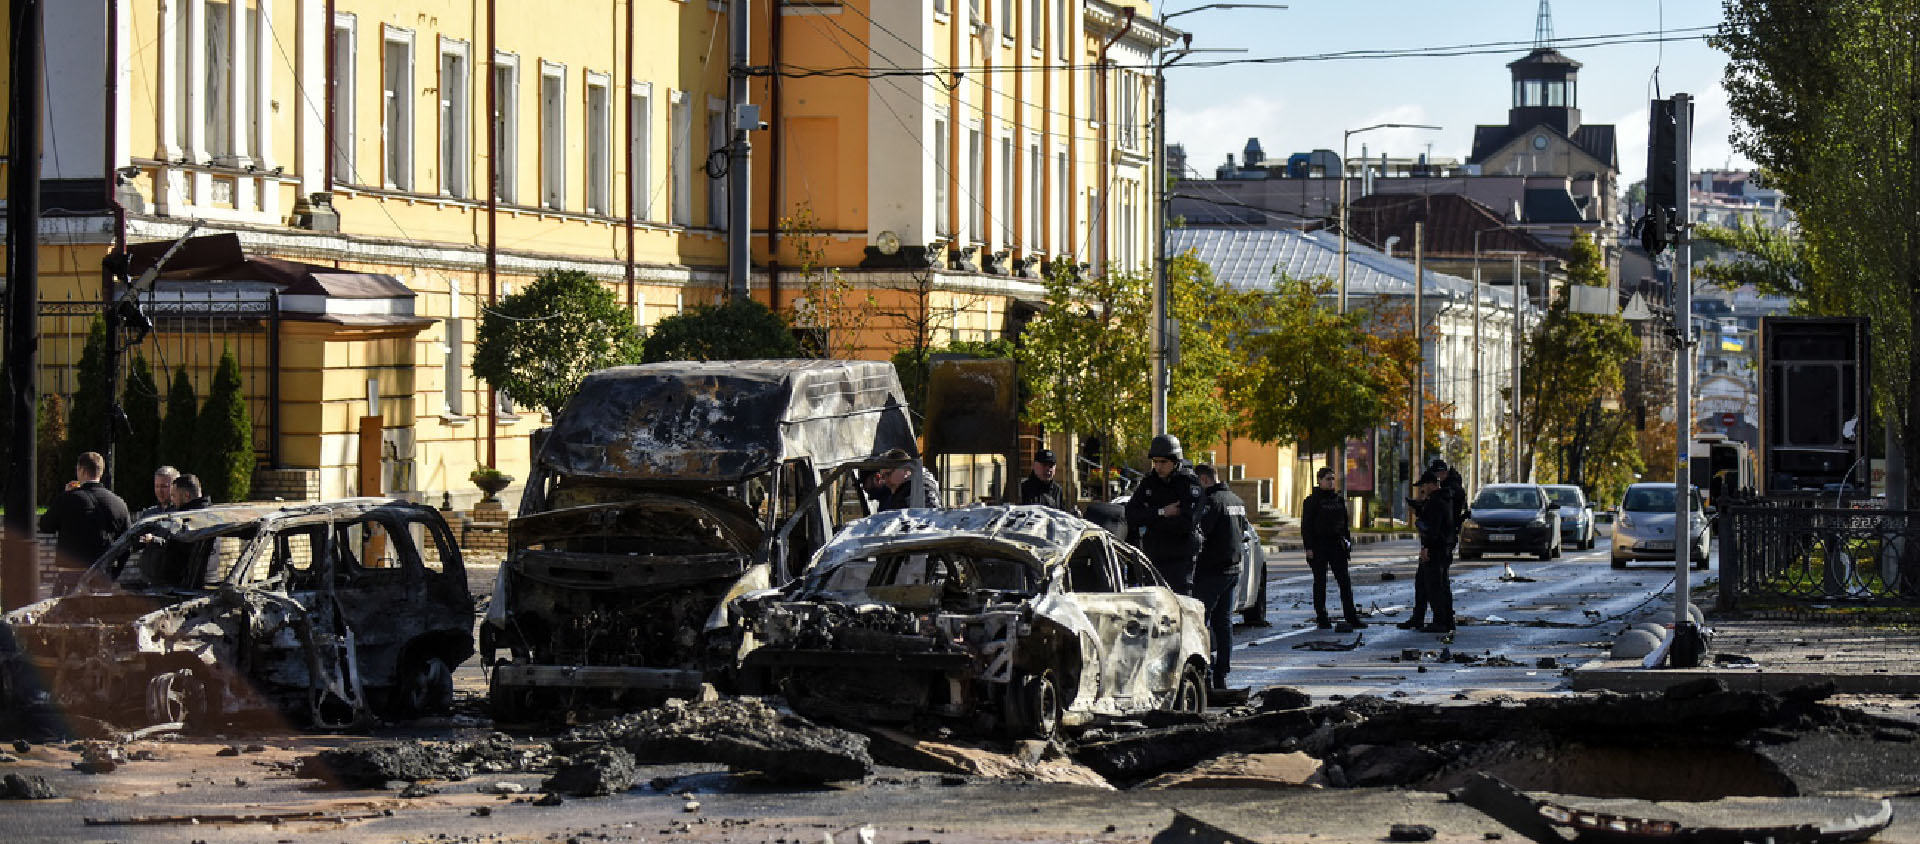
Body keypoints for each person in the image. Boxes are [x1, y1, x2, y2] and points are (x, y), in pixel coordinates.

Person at [38, 451, 133, 593]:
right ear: (101, 471)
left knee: (66, 615)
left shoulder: (68, 499)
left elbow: (45, 525)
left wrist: (65, 495)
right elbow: (128, 543)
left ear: (81, 470)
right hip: (102, 576)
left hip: (70, 578)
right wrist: (113, 575)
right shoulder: (119, 503)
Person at [1124, 434, 1206, 595]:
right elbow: (1131, 515)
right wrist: (1162, 512)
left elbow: (1186, 524)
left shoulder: (1189, 484)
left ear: (1175, 462)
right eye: (1155, 462)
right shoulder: (1149, 482)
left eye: (1164, 462)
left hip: (1180, 559)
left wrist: (1150, 520)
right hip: (1154, 556)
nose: (1158, 467)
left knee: (1180, 607)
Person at [1192, 464, 1246, 689]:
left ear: (1204, 480)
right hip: (1232, 570)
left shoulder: (1212, 502)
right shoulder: (1236, 500)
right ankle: (1221, 674)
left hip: (1212, 571)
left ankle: (1203, 672)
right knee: (1224, 624)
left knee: (1199, 623)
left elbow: (1201, 534)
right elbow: (1242, 532)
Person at [1300, 465, 1365, 630]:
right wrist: (1309, 548)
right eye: (1327, 479)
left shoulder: (1338, 500)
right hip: (1319, 545)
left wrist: (1347, 543)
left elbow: (1344, 525)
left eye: (1332, 479)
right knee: (1320, 582)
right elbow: (1306, 526)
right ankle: (1322, 617)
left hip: (1337, 545)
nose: (1331, 482)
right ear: (1319, 481)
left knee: (1344, 582)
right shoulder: (1312, 501)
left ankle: (1351, 616)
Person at [1405, 469, 1458, 634]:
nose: (1422, 489)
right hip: (1443, 547)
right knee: (1424, 583)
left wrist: (1426, 547)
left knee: (1435, 586)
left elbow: (1432, 528)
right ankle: (1424, 618)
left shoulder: (1436, 502)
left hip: (1436, 549)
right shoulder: (1442, 499)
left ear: (1431, 485)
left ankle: (1440, 621)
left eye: (1423, 486)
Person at [875, 448, 940, 511]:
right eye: (883, 476)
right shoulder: (907, 489)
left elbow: (924, 518)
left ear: (906, 469)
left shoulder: (921, 490)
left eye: (888, 474)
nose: (886, 480)